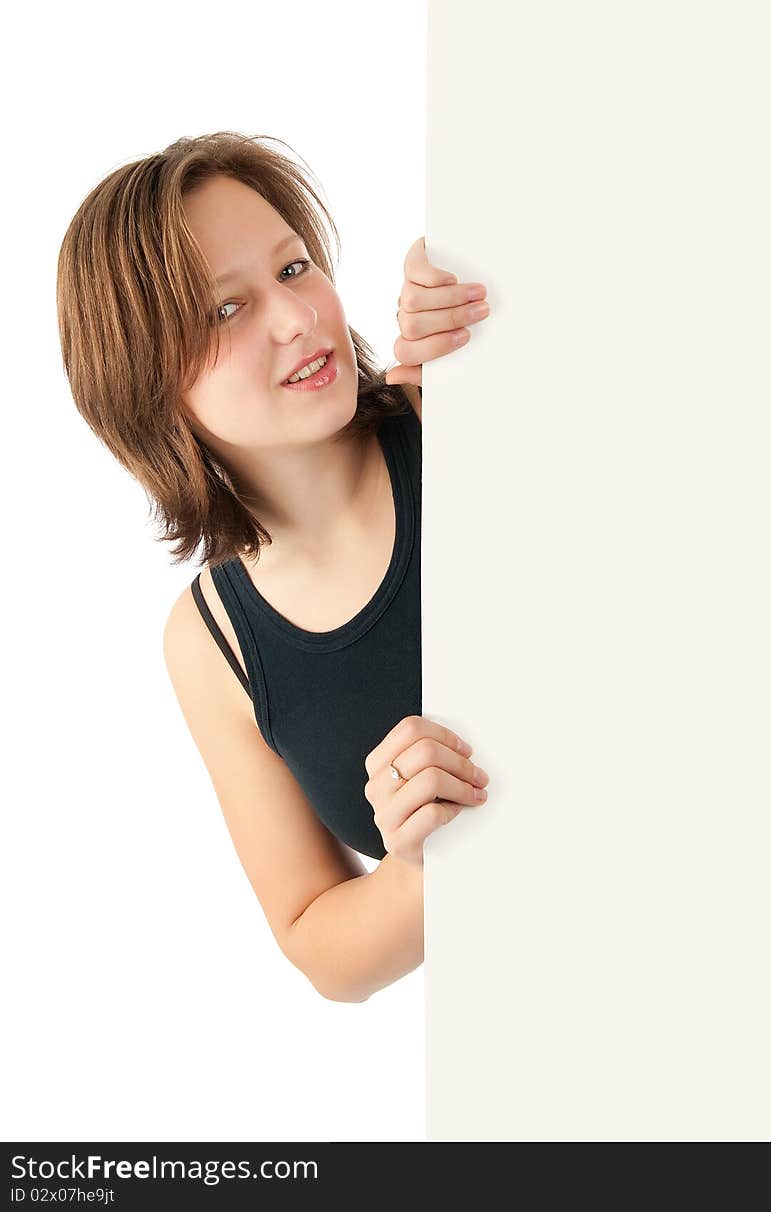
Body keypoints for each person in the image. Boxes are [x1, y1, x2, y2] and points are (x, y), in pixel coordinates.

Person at [55, 131, 492, 1003]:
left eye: (294, 269)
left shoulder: (455, 410)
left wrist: (500, 303)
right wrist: (415, 869)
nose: (298, 319)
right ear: (146, 385)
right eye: (226, 310)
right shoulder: (210, 641)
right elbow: (317, 940)